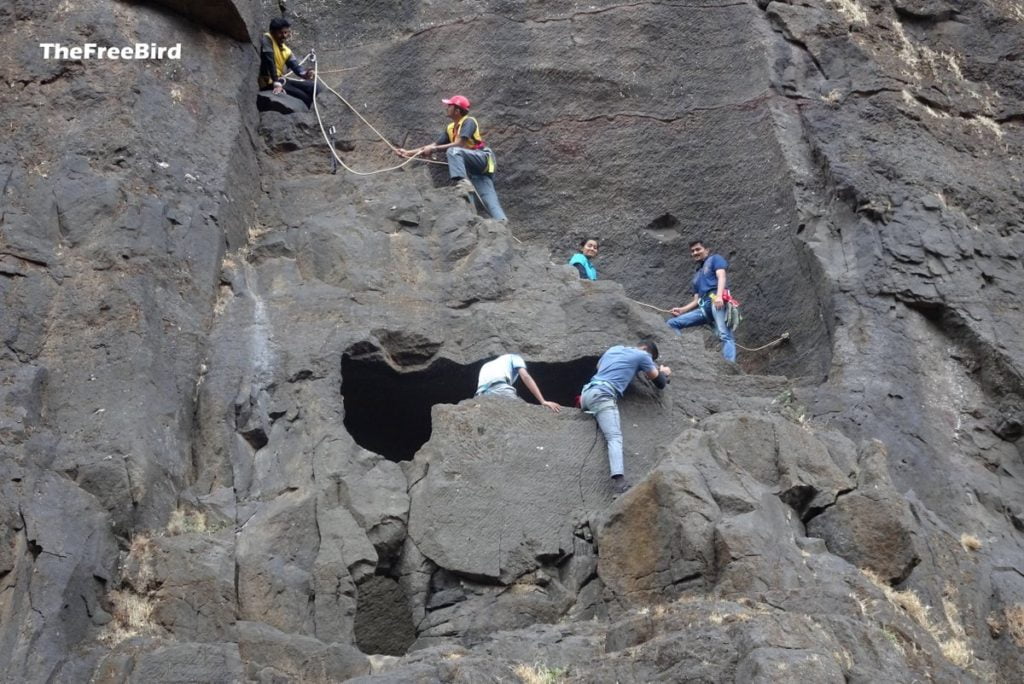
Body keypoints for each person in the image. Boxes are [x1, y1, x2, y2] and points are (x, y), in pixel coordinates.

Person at [397, 95, 508, 221]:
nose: (447, 107)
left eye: (450, 106)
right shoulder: (450, 128)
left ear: (457, 110)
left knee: (454, 151)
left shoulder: (469, 121)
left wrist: (433, 150)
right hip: (476, 173)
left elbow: (459, 144)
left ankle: (463, 183)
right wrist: (407, 153)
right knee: (483, 201)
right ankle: (502, 224)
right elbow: (433, 145)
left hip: (483, 159)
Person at [580, 341, 671, 494]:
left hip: (586, 395)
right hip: (603, 395)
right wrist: (664, 373)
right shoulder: (642, 355)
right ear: (645, 349)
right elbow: (660, 383)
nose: (650, 361)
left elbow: (599, 368)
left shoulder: (614, 348)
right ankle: (619, 483)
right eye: (651, 358)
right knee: (614, 437)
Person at [666, 240, 737, 362]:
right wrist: (682, 310)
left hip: (716, 301)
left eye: (698, 249)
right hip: (704, 308)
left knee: (725, 335)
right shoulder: (697, 275)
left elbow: (721, 276)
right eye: (692, 251)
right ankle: (685, 356)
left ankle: (730, 367)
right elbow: (696, 300)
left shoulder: (715, 259)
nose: (695, 252)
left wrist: (719, 296)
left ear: (707, 250)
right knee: (672, 323)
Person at [259, 18, 316, 108]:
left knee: (311, 87)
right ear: (272, 32)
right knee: (304, 97)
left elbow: (296, 66)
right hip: (269, 82)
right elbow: (269, 61)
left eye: (286, 32)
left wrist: (306, 73)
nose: (284, 36)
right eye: (280, 33)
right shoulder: (267, 39)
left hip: (281, 80)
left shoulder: (286, 50)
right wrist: (276, 83)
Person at [475, 354, 561, 412]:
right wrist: (543, 401)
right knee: (522, 415)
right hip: (500, 389)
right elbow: (525, 376)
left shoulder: (487, 365)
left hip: (480, 396)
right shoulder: (514, 356)